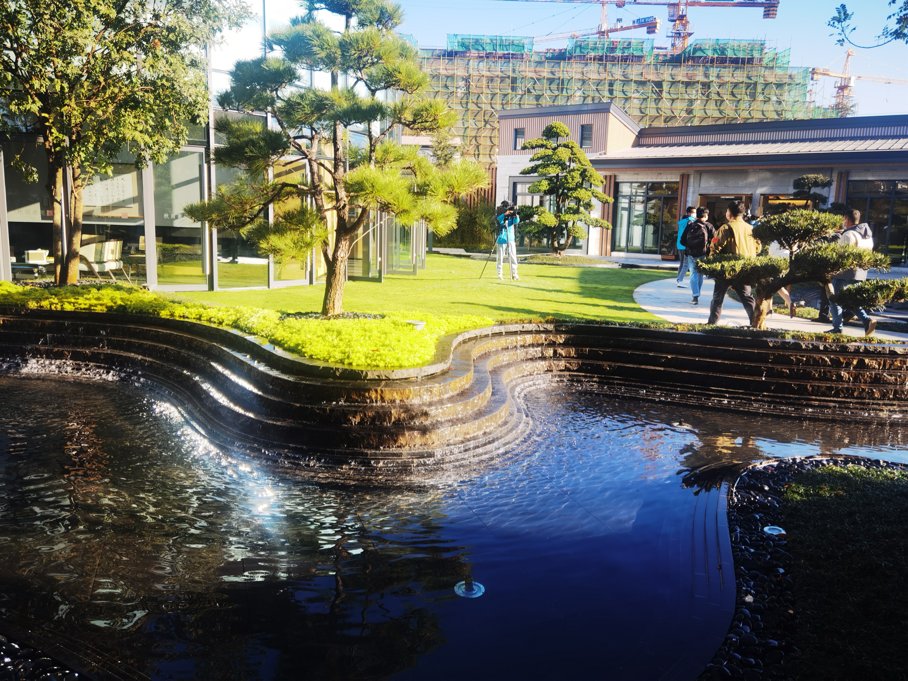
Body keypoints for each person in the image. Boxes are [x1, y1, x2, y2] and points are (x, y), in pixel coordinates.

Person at [707, 200, 759, 326]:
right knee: (747, 298)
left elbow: (715, 246)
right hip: (745, 268)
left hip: (727, 269)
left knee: (718, 298)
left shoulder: (725, 228)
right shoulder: (751, 228)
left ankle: (712, 323)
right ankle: (755, 322)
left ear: (729, 212)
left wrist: (711, 264)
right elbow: (758, 248)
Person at [828, 208, 876, 336]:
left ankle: (837, 328)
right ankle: (867, 321)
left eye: (844, 219)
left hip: (844, 272)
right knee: (851, 300)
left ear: (847, 219)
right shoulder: (867, 235)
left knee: (834, 298)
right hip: (861, 272)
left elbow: (842, 255)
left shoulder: (848, 235)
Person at [680, 207, 714, 305]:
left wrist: (689, 247)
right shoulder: (709, 226)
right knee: (700, 274)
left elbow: (682, 240)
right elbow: (715, 240)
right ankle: (697, 294)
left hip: (691, 254)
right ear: (706, 216)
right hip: (703, 254)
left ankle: (695, 296)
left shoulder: (690, 225)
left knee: (693, 274)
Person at [496, 201, 520, 281]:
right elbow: (499, 220)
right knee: (500, 258)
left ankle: (514, 274)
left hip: (511, 239)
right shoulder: (501, 214)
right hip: (502, 239)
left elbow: (517, 221)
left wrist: (515, 215)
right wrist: (505, 214)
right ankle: (499, 274)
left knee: (513, 257)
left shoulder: (512, 217)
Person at [675, 206, 696, 287]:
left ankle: (679, 280)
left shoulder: (682, 221)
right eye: (693, 212)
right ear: (689, 213)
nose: (695, 214)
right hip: (685, 245)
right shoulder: (691, 221)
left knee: (682, 263)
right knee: (685, 264)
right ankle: (679, 281)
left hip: (679, 245)